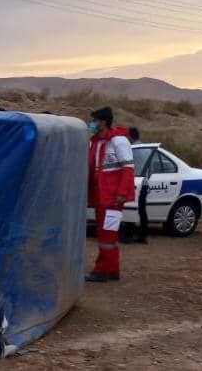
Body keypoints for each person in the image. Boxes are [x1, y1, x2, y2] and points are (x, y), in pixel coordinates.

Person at [86, 106, 135, 282]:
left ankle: (103, 270)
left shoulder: (118, 141)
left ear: (103, 122)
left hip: (113, 198)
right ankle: (112, 269)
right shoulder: (96, 142)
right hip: (101, 197)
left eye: (94, 121)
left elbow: (128, 169)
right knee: (106, 235)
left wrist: (122, 193)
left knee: (108, 235)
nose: (91, 124)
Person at [128, 127, 150, 245]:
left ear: (130, 137)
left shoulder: (133, 150)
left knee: (132, 207)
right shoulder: (145, 148)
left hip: (136, 183)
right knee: (141, 210)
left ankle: (131, 234)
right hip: (144, 183)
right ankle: (142, 234)